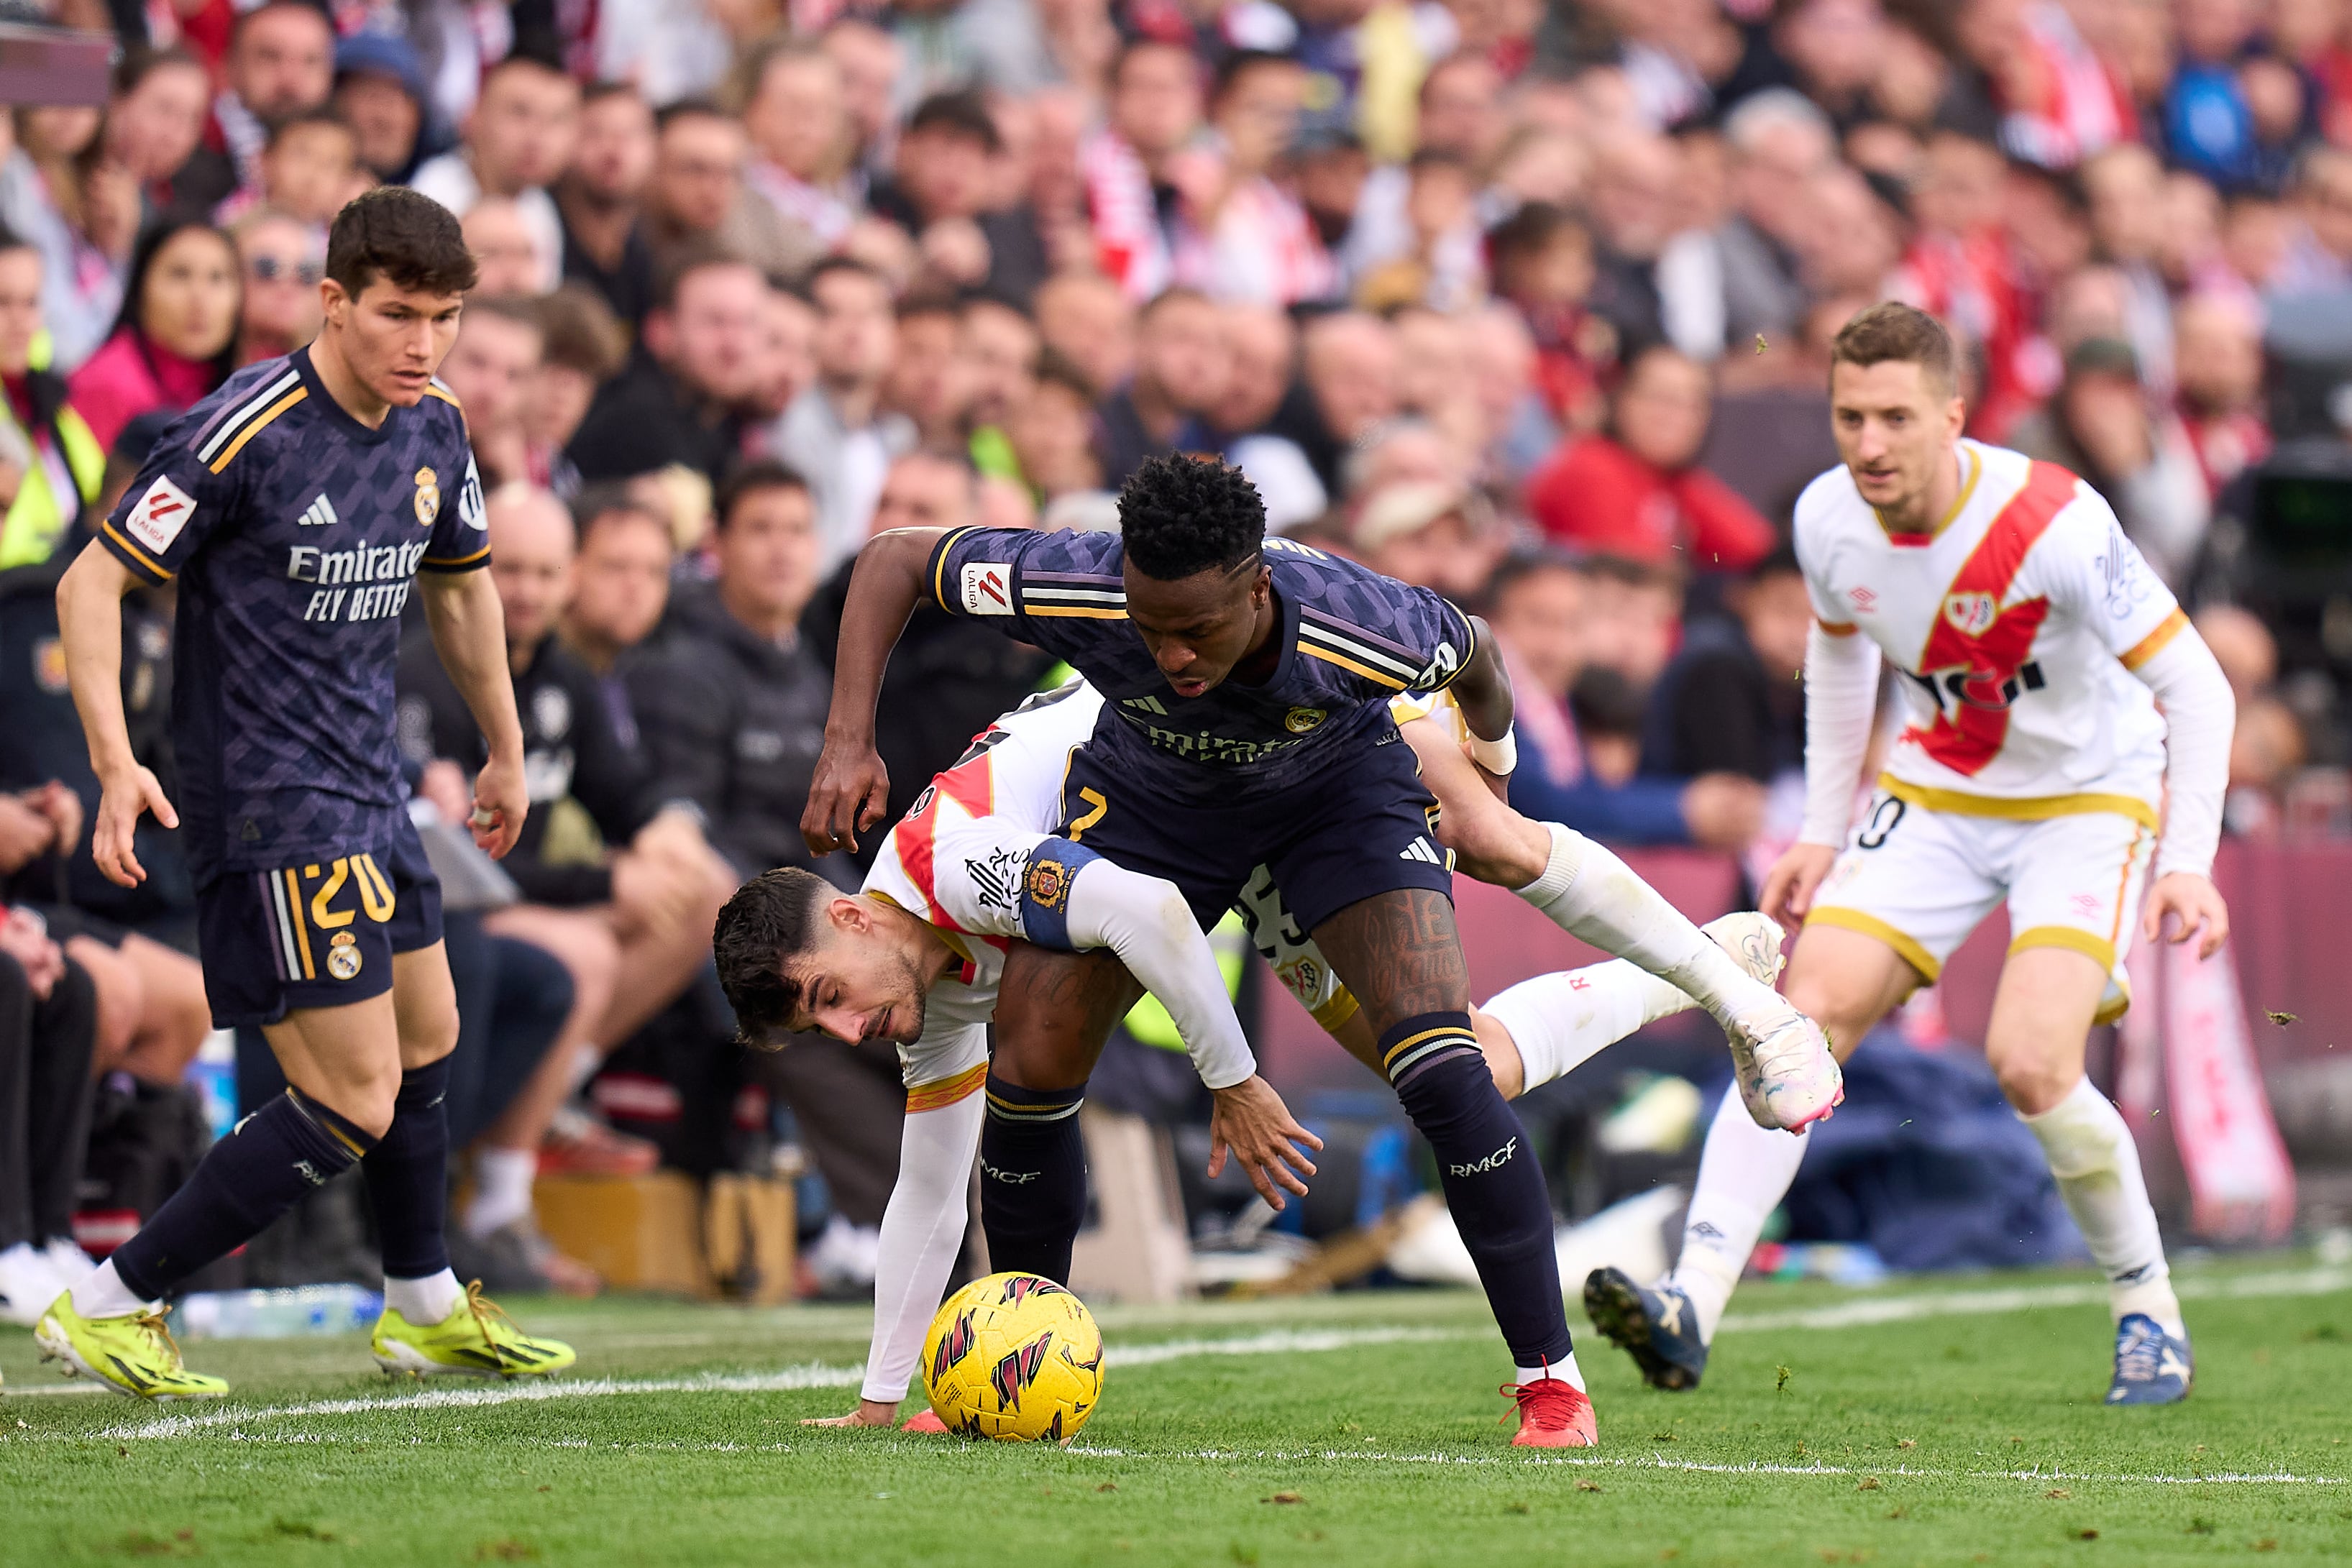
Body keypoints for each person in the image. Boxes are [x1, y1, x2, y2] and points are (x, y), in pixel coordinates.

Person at [805, 454, 1837, 1448]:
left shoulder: (1360, 624)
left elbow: (1475, 647)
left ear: (1256, 588)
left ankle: (1553, 1384)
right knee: (1029, 1060)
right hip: (1156, 811)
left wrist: (1493, 758)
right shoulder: (1072, 579)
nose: (1172, 656)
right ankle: (1010, 1358)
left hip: (1330, 807)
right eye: (1151, 627)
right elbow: (895, 556)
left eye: (1197, 630)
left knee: (1443, 1064)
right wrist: (848, 735)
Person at [1583, 303, 2238, 1409]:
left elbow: (2196, 684)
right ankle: (1688, 1302)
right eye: (1849, 416)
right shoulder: (1826, 519)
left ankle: (2145, 1309)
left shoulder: (2053, 520)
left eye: (1894, 417)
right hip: (1935, 793)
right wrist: (1819, 833)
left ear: (1952, 414)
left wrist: (2186, 858)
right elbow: (1839, 670)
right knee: (1789, 1028)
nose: (1869, 443)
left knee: (2031, 1066)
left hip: (2084, 797)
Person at [41, 187, 572, 1398]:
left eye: (443, 318)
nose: (422, 345)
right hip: (269, 805)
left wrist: (502, 746)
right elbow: (88, 586)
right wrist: (118, 765)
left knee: (429, 1036)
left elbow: (462, 587)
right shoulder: (238, 434)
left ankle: (422, 1300)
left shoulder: (434, 423)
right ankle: (112, 1300)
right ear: (330, 301)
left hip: (373, 790)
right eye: (396, 315)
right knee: (351, 1094)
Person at [1524, 344, 1777, 572]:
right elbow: (1626, 582)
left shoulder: (1672, 480)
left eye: (1691, 405)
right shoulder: (1592, 466)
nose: (1675, 417)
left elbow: (1758, 550)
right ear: (1620, 400)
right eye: (1660, 399)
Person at [567, 247, 767, 487]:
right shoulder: (636, 422)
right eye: (715, 321)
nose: (736, 345)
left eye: (749, 322)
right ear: (660, 331)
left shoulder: (719, 421)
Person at [772, 258, 916, 572]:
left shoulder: (901, 436)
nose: (854, 329)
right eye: (832, 312)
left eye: (870, 313)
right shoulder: (785, 425)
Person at [66, 219, 242, 457]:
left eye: (217, 278)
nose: (201, 299)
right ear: (140, 287)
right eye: (180, 275)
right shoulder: (105, 385)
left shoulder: (244, 388)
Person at [410, 54, 582, 295]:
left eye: (555, 120)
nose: (537, 137)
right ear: (473, 115)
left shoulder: (541, 210)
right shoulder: (428, 198)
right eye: (520, 113)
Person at [0, 229, 104, 571]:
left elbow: (95, 497)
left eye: (31, 303)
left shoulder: (46, 396)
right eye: (2, 302)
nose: (20, 321)